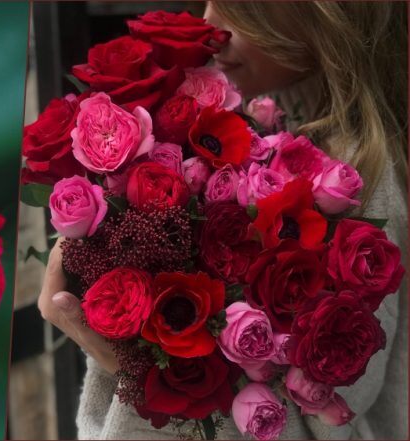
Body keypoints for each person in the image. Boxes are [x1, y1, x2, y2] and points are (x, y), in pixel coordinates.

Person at [37, 2, 408, 439]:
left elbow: (325, 426)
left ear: (329, 16)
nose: (210, 24)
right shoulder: (253, 115)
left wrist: (143, 372)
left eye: (244, 9)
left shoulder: (363, 176)